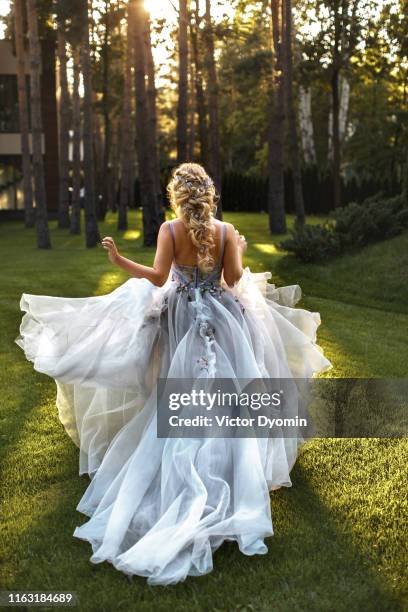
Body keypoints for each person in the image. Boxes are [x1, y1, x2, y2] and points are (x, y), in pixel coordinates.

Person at [15, 162, 331, 585]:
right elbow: (234, 278)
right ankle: (232, 474)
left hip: (182, 314)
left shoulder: (169, 231)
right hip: (223, 317)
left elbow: (159, 277)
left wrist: (118, 259)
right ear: (209, 194)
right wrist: (236, 244)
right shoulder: (224, 231)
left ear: (177, 195)